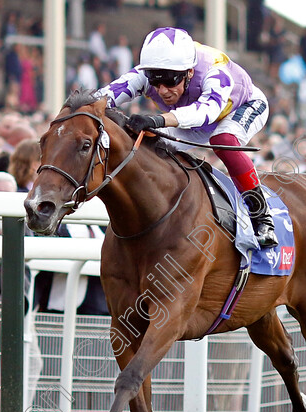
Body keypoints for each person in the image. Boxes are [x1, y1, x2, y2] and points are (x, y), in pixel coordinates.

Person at [97, 27, 277, 247]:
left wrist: (158, 120)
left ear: (189, 72)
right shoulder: (148, 72)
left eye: (170, 81)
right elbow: (104, 96)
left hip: (238, 108)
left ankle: (262, 217)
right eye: (155, 81)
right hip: (190, 115)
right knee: (144, 142)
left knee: (223, 140)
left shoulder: (215, 70)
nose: (162, 90)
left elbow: (205, 113)